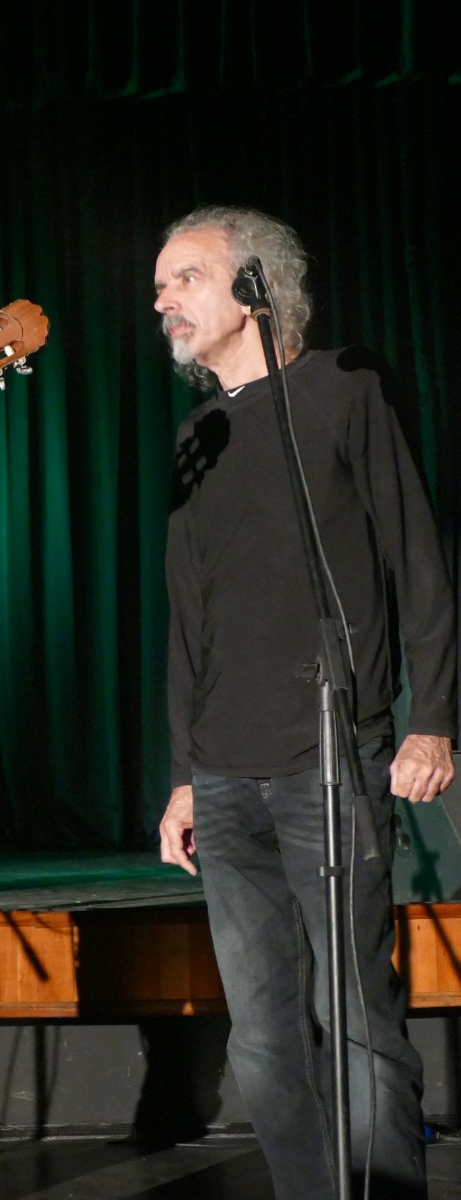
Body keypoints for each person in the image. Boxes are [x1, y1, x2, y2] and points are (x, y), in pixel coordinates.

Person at [153, 206, 456, 1199]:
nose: (162, 301)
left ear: (253, 289)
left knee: (360, 1019)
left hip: (329, 762)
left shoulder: (342, 392)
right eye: (160, 287)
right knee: (263, 1035)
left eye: (183, 279)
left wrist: (433, 717)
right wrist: (182, 780)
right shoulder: (197, 435)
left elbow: (416, 560)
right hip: (227, 780)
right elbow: (185, 624)